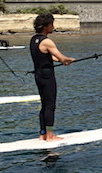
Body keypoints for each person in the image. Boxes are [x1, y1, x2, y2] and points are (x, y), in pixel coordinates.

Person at [30, 13, 75, 141]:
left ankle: (43, 134)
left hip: (38, 76)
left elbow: (48, 57)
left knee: (44, 105)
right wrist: (67, 60)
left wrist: (62, 60)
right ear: (45, 26)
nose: (53, 27)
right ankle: (50, 136)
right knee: (50, 106)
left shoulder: (34, 39)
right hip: (47, 77)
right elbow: (61, 58)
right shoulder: (47, 41)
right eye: (51, 24)